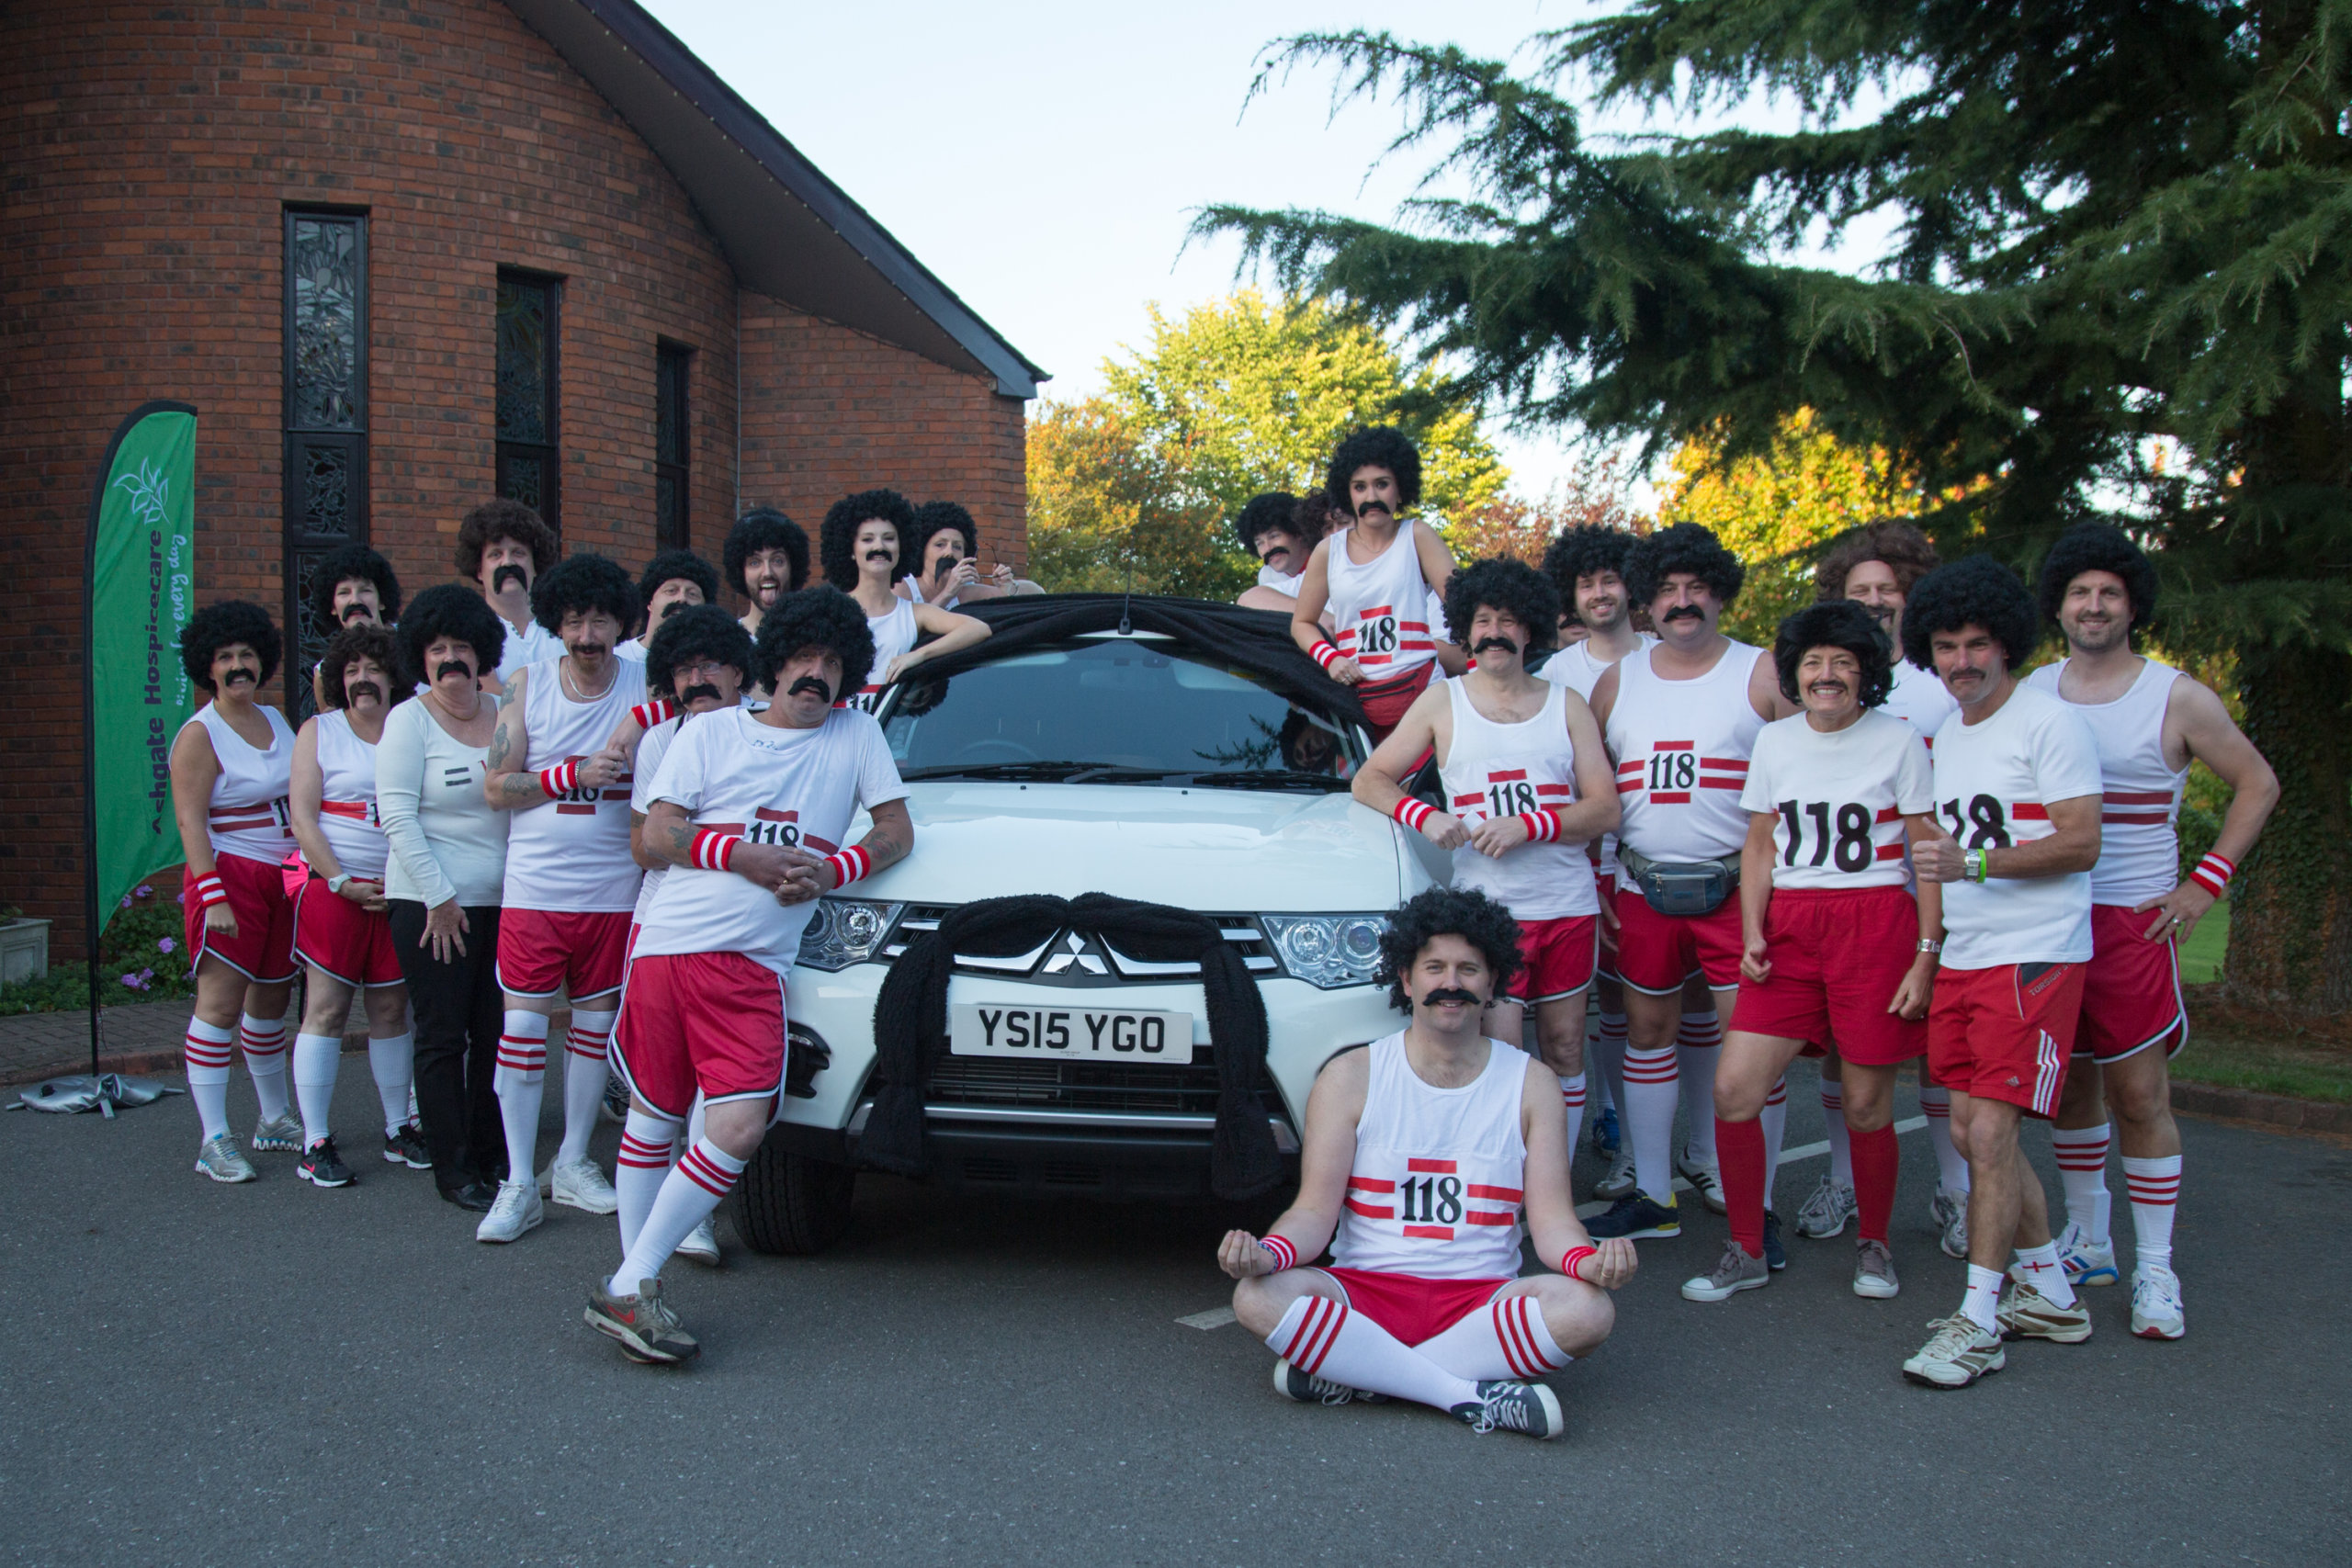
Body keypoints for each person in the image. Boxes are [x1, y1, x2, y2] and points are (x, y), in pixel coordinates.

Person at [586, 588, 915, 1363]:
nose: (817, 675)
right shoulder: (707, 732)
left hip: (751, 964)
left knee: (736, 1123)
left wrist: (832, 870)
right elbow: (658, 833)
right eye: (804, 657)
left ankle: (631, 1281)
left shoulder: (856, 734)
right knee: (654, 1115)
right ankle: (639, 1292)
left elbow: (895, 829)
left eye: (834, 662)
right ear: (776, 660)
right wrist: (744, 855)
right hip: (668, 948)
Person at [1216, 886, 1635, 1438]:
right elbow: (1314, 1213)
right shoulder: (1351, 1076)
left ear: (1492, 984)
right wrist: (1267, 1254)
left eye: (1469, 969)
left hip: (1481, 1300)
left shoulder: (1533, 1084)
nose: (1450, 983)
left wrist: (1588, 1263)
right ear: (1407, 980)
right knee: (1257, 1296)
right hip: (1365, 1292)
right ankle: (1465, 1395)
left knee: (1589, 1311)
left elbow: (1553, 1223)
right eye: (1433, 967)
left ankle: (1357, 1372)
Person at [2027, 524, 2278, 1339]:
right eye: (2078, 593)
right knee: (2066, 1089)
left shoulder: (2176, 695)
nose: (2093, 606)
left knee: (2140, 1094)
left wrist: (2206, 881)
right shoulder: (2032, 692)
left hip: (2134, 919)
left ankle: (2157, 1269)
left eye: (2109, 593)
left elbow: (2257, 783)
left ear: (2132, 604)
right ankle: (2091, 1241)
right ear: (2059, 605)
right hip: (2052, 919)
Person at [1679, 601, 1941, 1305]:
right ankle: (1745, 1246)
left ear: (1867, 672)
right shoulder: (1777, 742)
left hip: (1875, 922)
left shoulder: (1899, 741)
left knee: (1863, 1103)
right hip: (1791, 923)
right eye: (1813, 663)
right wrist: (1754, 927)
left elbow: (1928, 851)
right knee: (1735, 1089)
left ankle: (1876, 1243)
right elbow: (1760, 842)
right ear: (1795, 672)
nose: (1827, 675)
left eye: (1844, 662)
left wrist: (1926, 952)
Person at [1898, 555, 2104, 1389]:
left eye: (1978, 643)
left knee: (1989, 1133)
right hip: (1970, 957)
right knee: (1967, 1131)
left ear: (2008, 643)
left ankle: (1978, 1318)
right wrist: (1932, 949)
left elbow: (2081, 840)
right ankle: (2051, 1291)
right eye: (1946, 645)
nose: (1962, 661)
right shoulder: (1951, 731)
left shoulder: (2049, 723)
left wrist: (1973, 866)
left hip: (2037, 952)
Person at [1352, 558, 1620, 1160]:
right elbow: (1370, 780)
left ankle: (1554, 1185)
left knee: (1566, 1046)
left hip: (1567, 903)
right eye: (1481, 622)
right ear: (1465, 633)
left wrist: (1533, 824)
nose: (1494, 632)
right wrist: (1427, 815)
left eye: (1507, 621)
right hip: (1488, 915)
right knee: (1502, 1053)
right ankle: (1501, 1190)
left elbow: (1605, 810)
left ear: (1529, 632)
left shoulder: (1567, 703)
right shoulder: (1441, 702)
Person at [1585, 524, 1797, 1240]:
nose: (1682, 602)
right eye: (1668, 590)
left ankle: (1755, 1202)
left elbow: (1803, 783)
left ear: (1719, 591)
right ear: (1647, 599)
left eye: (1696, 587)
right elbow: (1598, 791)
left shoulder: (1762, 671)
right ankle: (1654, 1195)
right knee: (1647, 1033)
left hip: (1737, 893)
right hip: (1642, 890)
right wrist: (1604, 881)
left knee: (1752, 1047)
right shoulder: (1618, 680)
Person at [1805, 520, 1972, 1257]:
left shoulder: (1944, 683)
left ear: (1911, 596)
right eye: (1859, 590)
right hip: (1860, 899)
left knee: (1943, 1050)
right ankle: (1842, 1178)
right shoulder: (1824, 683)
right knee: (1847, 1052)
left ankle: (1957, 1190)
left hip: (1943, 889)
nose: (1874, 601)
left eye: (1888, 590)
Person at [480, 553, 647, 1242]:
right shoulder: (526, 686)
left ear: (619, 621)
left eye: (600, 619)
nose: (587, 635)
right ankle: (520, 1180)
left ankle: (574, 1159)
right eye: (574, 620)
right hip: (536, 886)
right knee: (521, 1028)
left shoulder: (644, 685)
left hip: (614, 885)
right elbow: (495, 786)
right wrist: (570, 773)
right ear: (556, 622)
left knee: (593, 1024)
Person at [624, 604, 758, 1267]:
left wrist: (688, 838)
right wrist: (725, 847)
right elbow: (643, 848)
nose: (697, 678)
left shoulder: (765, 733)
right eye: (682, 668)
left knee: (720, 1086)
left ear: (739, 668)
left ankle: (692, 1216)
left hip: (740, 930)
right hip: (661, 923)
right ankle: (641, 1252)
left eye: (709, 664)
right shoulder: (660, 741)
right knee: (656, 1094)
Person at [1537, 522, 1660, 1193]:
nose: (1600, 592)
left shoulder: (1662, 656)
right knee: (1604, 1006)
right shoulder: (1559, 672)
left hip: (1646, 858)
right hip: (1582, 861)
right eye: (1586, 583)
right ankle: (1617, 1130)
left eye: (1611, 579)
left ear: (1630, 585)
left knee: (1660, 1011)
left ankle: (1675, 1148)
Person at [379, 585, 509, 1211]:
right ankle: (453, 1167)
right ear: (419, 656)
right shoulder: (408, 720)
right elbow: (397, 818)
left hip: (505, 903)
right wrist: (440, 897)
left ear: (481, 650)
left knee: (496, 1033)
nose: (451, 659)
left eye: (462, 646)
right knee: (441, 1035)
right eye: (437, 649)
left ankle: (492, 1153)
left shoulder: (507, 707)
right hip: (433, 907)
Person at [285, 623, 422, 1188]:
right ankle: (315, 1140)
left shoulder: (414, 726)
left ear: (393, 674)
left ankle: (398, 1128)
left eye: (374, 668)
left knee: (392, 1011)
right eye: (352, 670)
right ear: (340, 680)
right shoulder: (320, 730)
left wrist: (406, 879)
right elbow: (303, 817)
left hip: (398, 888)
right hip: (336, 889)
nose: (363, 679)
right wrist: (339, 880)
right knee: (328, 1010)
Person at [169, 602, 301, 1180]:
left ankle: (273, 1119)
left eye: (246, 654)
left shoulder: (276, 720)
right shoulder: (201, 733)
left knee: (271, 998)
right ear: (208, 667)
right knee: (219, 1005)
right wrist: (212, 894)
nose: (238, 665)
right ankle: (213, 1138)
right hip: (230, 876)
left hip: (284, 877)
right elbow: (190, 822)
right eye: (225, 657)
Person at [1290, 427, 1468, 740]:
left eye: (1381, 484)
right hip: (1356, 701)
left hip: (1424, 690)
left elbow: (1466, 607)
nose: (1371, 497)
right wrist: (1330, 658)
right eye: (1360, 487)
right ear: (1348, 494)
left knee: (1428, 788)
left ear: (1400, 489)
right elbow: (1302, 623)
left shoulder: (1418, 536)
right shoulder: (1328, 552)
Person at [819, 488, 989, 713]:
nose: (879, 547)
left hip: (889, 741)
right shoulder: (828, 612)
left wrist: (917, 656)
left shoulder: (914, 613)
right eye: (868, 539)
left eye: (889, 539)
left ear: (902, 547)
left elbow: (978, 629)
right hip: (832, 735)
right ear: (851, 550)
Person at [457, 499, 561, 687]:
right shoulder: (468, 632)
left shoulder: (562, 627)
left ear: (535, 565)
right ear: (479, 570)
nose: (508, 563)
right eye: (496, 554)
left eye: (518, 553)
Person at [305, 542, 402, 710]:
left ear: (382, 601)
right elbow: (335, 728)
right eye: (344, 592)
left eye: (365, 590)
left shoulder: (414, 644)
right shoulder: (325, 672)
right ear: (333, 607)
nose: (355, 600)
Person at [899, 500, 1038, 610]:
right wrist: (947, 593)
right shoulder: (904, 589)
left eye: (957, 547)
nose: (949, 553)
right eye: (940, 545)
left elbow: (1037, 592)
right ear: (921, 551)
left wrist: (1008, 586)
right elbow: (907, 635)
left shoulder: (965, 592)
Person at [615, 549, 720, 663]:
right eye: (671, 590)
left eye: (692, 594)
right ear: (650, 602)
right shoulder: (617, 658)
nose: (682, 598)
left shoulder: (715, 664)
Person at [723, 507, 810, 639]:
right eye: (754, 562)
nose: (767, 572)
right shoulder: (728, 640)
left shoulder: (810, 639)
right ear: (741, 571)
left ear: (792, 568)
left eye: (777, 561)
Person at [1234, 491, 1311, 612]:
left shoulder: (1326, 559)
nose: (1268, 548)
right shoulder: (1267, 576)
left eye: (1274, 536)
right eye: (1260, 543)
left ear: (1297, 532)